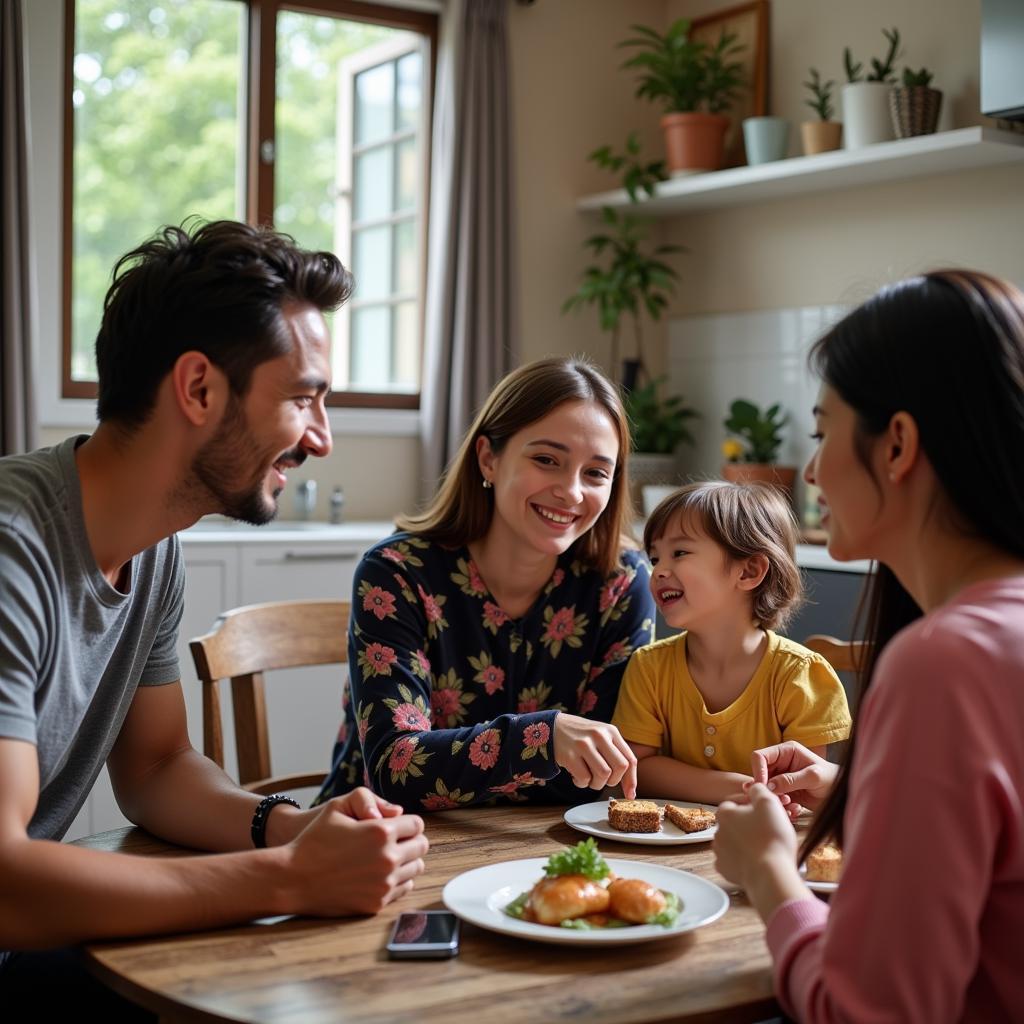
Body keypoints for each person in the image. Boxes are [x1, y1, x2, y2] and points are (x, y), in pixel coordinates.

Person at [0, 220, 428, 1012]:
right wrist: (290, 879)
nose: (323, 439)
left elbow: (157, 770)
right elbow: (5, 885)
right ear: (198, 389)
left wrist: (292, 828)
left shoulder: (155, 545)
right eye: (304, 397)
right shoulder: (11, 551)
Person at [712, 269, 1024, 1022]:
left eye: (822, 433)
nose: (812, 472)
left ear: (898, 445)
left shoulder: (945, 663)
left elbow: (867, 1011)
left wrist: (769, 873)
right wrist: (862, 799)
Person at [316, 356, 656, 809]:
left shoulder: (622, 583)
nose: (572, 491)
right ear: (489, 459)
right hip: (379, 843)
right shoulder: (396, 573)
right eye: (546, 459)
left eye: (595, 472)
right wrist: (545, 737)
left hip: (546, 846)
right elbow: (395, 770)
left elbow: (606, 772)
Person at [611, 481, 850, 805]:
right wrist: (741, 788)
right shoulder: (648, 667)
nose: (658, 572)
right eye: (655, 558)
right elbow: (638, 770)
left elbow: (798, 788)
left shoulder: (800, 676)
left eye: (679, 553)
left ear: (749, 571)